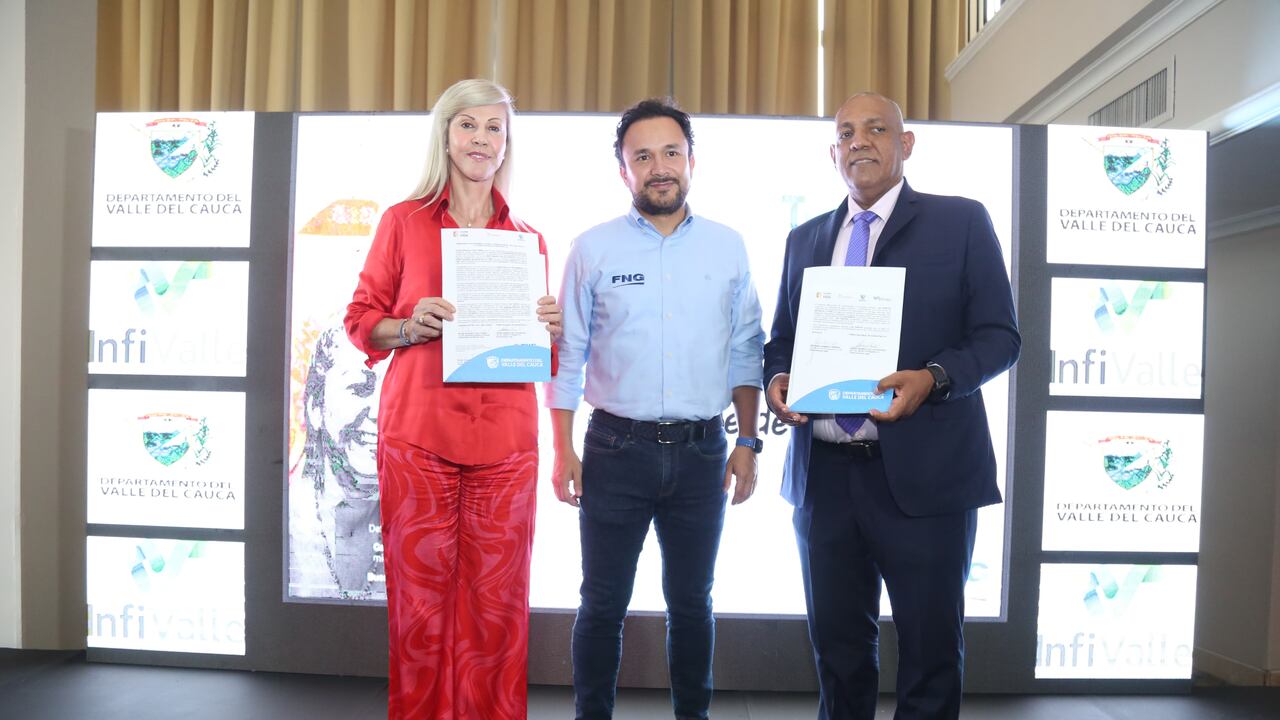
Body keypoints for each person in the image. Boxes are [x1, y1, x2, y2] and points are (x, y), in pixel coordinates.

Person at [763, 92, 1020, 720]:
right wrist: (778, 380)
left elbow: (999, 337)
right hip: (824, 479)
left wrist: (932, 378)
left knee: (931, 658)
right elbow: (782, 341)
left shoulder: (961, 221)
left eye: (877, 129)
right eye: (847, 132)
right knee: (839, 655)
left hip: (926, 481)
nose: (860, 141)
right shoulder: (805, 238)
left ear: (905, 145)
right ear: (833, 153)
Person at [344, 78, 563, 720]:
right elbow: (362, 319)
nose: (481, 139)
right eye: (469, 125)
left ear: (506, 145)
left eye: (494, 129)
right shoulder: (402, 221)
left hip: (506, 442)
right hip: (419, 437)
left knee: (497, 610)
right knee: (420, 608)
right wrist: (412, 323)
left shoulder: (529, 239)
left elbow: (538, 358)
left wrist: (551, 328)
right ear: (446, 134)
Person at [546, 98, 766, 720]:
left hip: (703, 453)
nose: (659, 166)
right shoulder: (592, 249)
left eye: (671, 152)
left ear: (692, 161)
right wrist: (562, 449)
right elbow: (570, 354)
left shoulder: (729, 247)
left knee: (693, 604)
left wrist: (748, 441)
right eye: (642, 156)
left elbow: (747, 349)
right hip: (615, 449)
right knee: (601, 604)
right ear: (624, 171)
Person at [289, 325, 385, 601]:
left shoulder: (428, 525)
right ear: (315, 408)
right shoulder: (282, 523)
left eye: (392, 389)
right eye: (359, 388)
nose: (380, 413)